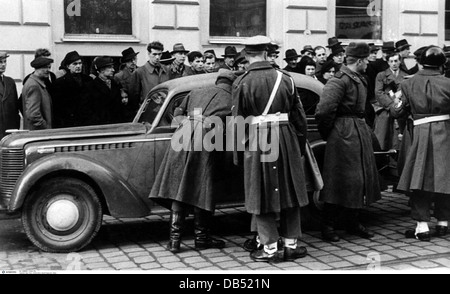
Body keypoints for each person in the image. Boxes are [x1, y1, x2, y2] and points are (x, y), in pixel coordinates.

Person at [232, 35, 309, 262]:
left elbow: (238, 121)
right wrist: (300, 145)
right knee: (290, 190)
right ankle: (291, 244)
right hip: (286, 137)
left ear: (247, 55)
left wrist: (239, 153)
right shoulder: (286, 79)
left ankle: (270, 249)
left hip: (258, 139)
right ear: (266, 52)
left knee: (260, 192)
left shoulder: (242, 82)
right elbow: (300, 118)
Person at [149, 69, 238, 253]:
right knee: (202, 187)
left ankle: (174, 241)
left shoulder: (197, 91)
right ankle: (201, 238)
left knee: (180, 187)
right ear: (232, 84)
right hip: (206, 141)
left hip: (182, 136)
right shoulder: (232, 100)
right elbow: (232, 131)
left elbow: (177, 113)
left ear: (218, 81)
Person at [315, 42, 381, 243]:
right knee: (337, 181)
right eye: (367, 60)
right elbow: (324, 111)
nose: (369, 64)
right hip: (343, 133)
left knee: (359, 180)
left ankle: (353, 221)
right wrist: (332, 133)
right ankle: (327, 225)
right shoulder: (339, 81)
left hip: (358, 131)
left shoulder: (359, 79)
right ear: (359, 61)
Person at [391, 46, 450, 241]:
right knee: (444, 176)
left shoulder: (408, 84)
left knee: (419, 178)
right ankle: (443, 222)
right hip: (446, 133)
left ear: (420, 62)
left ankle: (422, 226)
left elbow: (396, 112)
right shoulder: (448, 83)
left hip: (421, 133)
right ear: (442, 65)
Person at [373, 52, 409, 151]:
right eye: (391, 61)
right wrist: (392, 105)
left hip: (401, 111)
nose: (394, 63)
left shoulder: (406, 76)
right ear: (388, 62)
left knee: (399, 142)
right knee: (383, 139)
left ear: (400, 61)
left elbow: (407, 93)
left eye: (396, 61)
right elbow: (379, 92)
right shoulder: (381, 75)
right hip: (386, 110)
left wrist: (399, 106)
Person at [52, 51, 92, 128]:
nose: (78, 66)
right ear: (68, 66)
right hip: (69, 123)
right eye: (75, 64)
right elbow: (58, 108)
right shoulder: (60, 83)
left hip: (86, 122)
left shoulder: (88, 80)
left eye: (80, 63)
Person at [88, 56, 124, 125]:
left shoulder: (115, 84)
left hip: (115, 124)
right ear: (101, 70)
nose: (113, 70)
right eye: (110, 67)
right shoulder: (91, 86)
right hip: (99, 125)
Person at [22, 57, 54, 130]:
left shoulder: (35, 83)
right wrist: (45, 127)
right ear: (37, 69)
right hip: (38, 132)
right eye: (45, 67)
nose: (48, 70)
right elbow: (33, 114)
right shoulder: (34, 85)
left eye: (49, 67)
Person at [114, 47, 140, 122]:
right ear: (125, 62)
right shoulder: (119, 76)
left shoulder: (141, 71)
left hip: (141, 108)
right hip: (127, 111)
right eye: (130, 60)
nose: (133, 62)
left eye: (134, 59)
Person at [0, 52, 20, 139]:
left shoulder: (10, 82)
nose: (3, 65)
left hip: (9, 130)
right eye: (0, 62)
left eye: (5, 62)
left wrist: (16, 126)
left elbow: (15, 107)